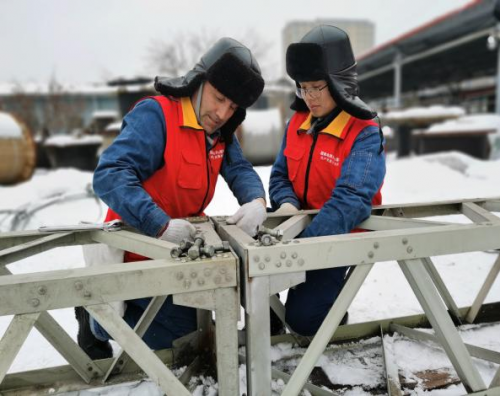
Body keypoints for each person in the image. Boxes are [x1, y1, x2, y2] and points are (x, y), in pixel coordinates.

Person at [76, 37, 268, 359]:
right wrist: (159, 224)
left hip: (182, 252)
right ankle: (95, 318)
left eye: (233, 106)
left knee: (210, 320)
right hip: (137, 250)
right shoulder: (158, 117)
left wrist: (257, 201)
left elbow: (240, 170)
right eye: (219, 98)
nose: (222, 113)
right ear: (199, 80)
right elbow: (110, 174)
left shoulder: (219, 132)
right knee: (185, 338)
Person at [269, 25, 386, 336]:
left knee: (305, 320)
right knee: (255, 292)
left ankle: (333, 310)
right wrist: (287, 203)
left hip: (337, 238)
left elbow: (351, 200)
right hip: (295, 230)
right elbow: (279, 174)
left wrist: (298, 253)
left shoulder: (363, 130)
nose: (309, 97)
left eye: (316, 87)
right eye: (302, 88)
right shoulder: (297, 122)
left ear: (339, 82)